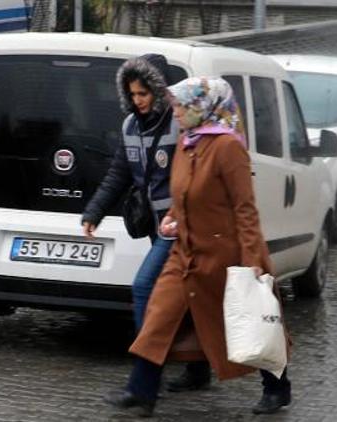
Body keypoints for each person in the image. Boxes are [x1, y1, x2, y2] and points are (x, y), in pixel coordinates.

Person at [104, 77, 291, 417]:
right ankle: (142, 391)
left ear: (201, 107)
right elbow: (185, 190)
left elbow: (245, 208)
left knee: (251, 322)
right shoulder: (189, 141)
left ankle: (277, 386)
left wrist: (251, 262)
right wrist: (173, 216)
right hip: (185, 252)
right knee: (159, 315)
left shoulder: (227, 147)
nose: (174, 112)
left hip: (226, 256)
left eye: (179, 106)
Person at [81, 54, 179, 331]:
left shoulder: (179, 123)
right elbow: (118, 174)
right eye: (132, 94)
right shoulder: (130, 126)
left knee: (145, 285)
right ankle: (192, 367)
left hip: (178, 227)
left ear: (159, 90)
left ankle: (148, 361)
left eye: (143, 93)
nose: (138, 100)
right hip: (153, 225)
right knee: (175, 293)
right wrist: (94, 212)